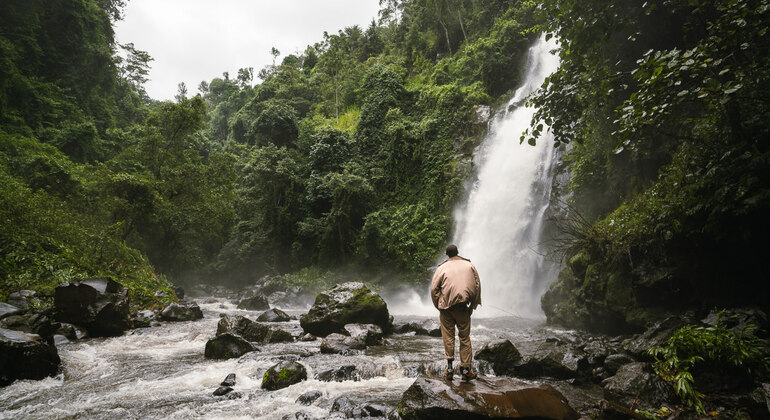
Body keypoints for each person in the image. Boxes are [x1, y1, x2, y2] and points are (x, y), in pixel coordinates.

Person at [430, 244, 481, 381]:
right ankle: (465, 370)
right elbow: (477, 285)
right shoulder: (469, 266)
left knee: (448, 337)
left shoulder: (441, 268)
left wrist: (439, 305)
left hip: (446, 308)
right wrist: (473, 305)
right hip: (463, 306)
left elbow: (434, 289)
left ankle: (450, 369)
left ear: (447, 254)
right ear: (458, 252)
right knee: (464, 337)